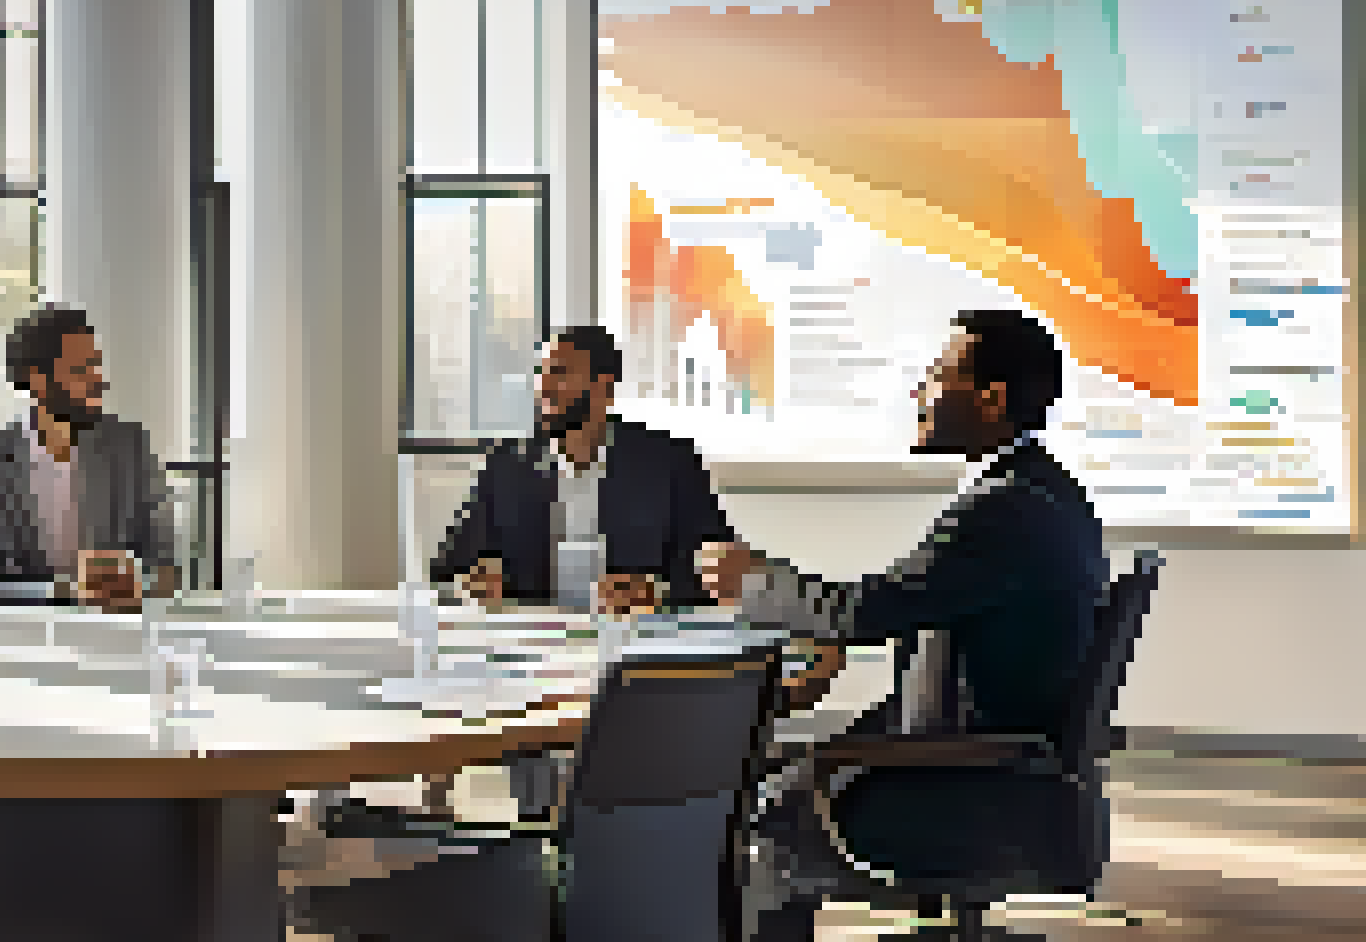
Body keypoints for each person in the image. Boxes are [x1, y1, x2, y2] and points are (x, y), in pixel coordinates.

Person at [698, 309, 1109, 942]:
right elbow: (894, 606)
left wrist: (752, 582)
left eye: (937, 377)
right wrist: (833, 636)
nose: (919, 393)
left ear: (990, 397)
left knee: (767, 805)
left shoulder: (1002, 514)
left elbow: (865, 611)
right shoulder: (1049, 495)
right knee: (779, 762)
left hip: (966, 781)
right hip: (1008, 769)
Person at [423, 324, 749, 822]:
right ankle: (540, 832)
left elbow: (717, 569)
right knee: (540, 775)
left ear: (603, 385)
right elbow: (446, 567)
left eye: (559, 374)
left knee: (620, 791)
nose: (544, 388)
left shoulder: (669, 464)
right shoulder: (507, 466)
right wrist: (471, 579)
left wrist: (657, 590)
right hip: (533, 656)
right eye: (541, 374)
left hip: (632, 652)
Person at [0, 305, 178, 610]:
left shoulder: (130, 449)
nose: (98, 381)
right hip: (29, 643)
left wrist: (139, 584)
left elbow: (166, 563)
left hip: (119, 636)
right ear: (38, 380)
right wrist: (68, 591)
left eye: (97, 366)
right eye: (80, 370)